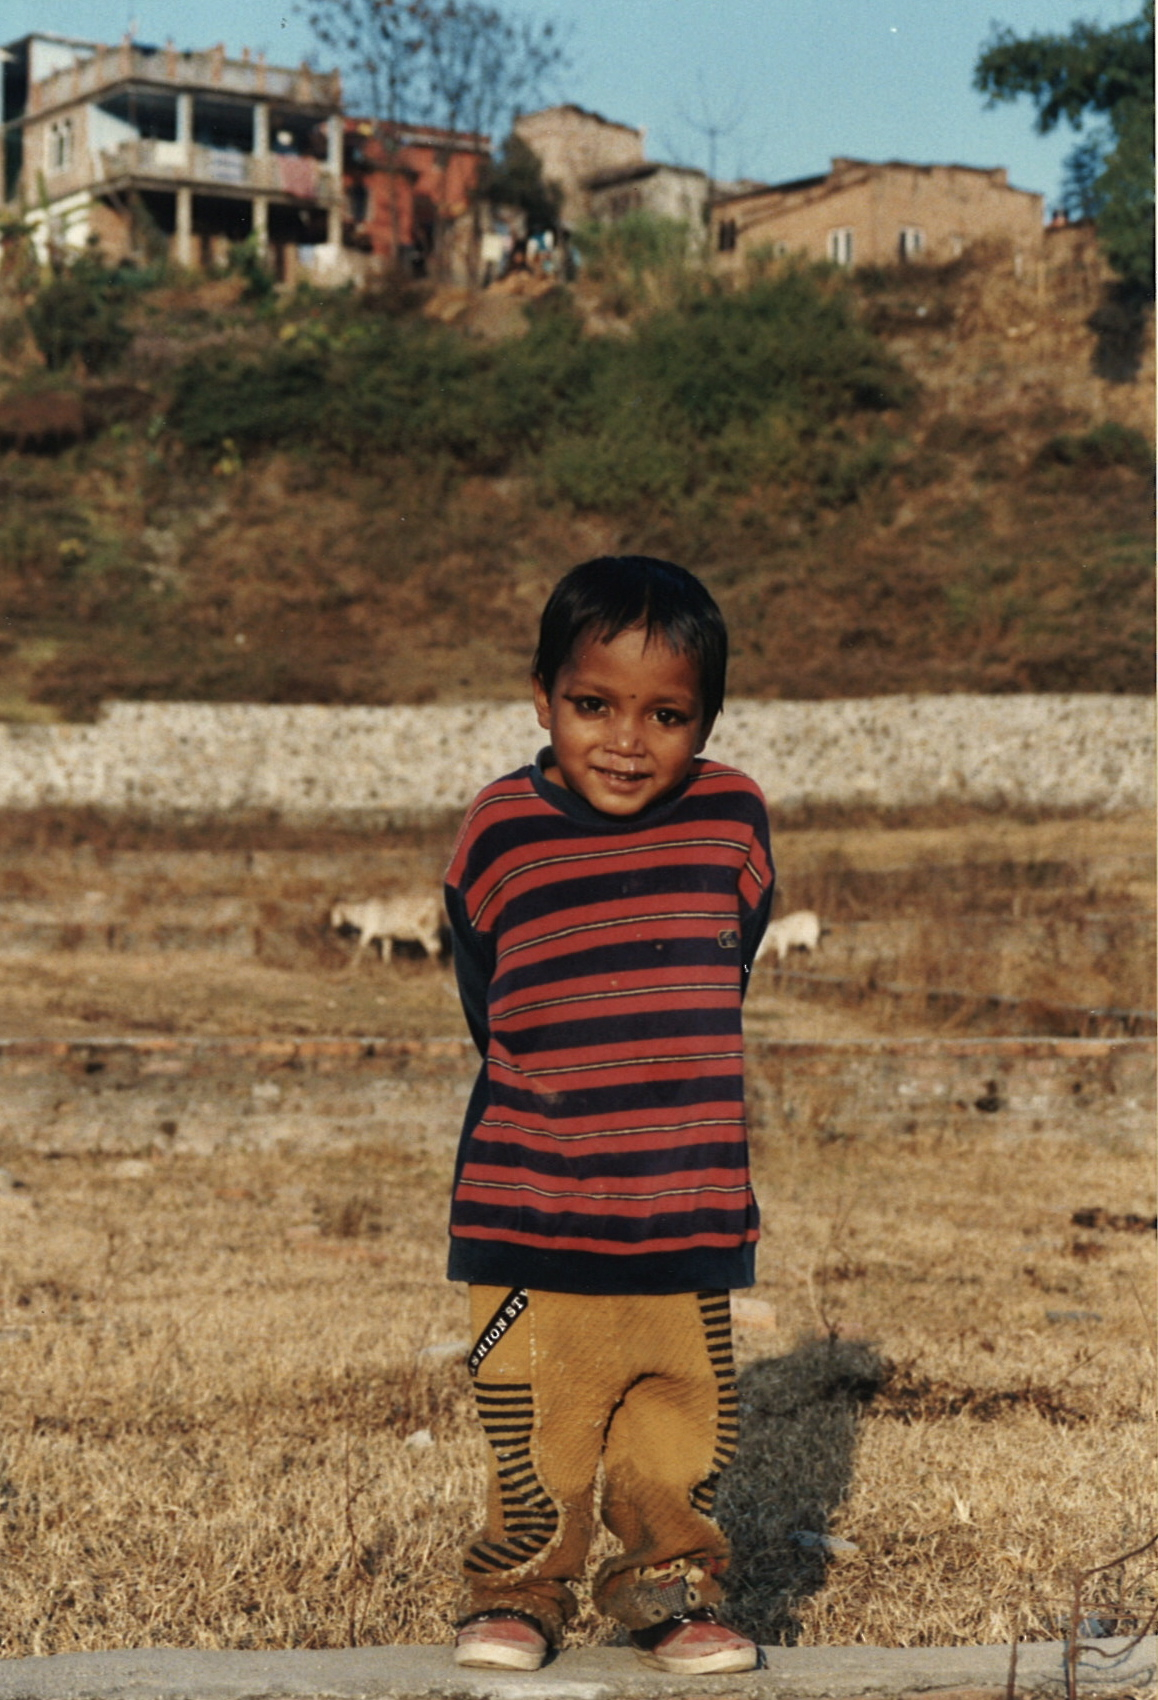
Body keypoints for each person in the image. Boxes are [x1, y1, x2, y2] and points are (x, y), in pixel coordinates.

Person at [443, 555, 774, 1675]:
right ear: (543, 698)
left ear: (707, 720)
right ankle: (518, 1589)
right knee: (532, 1416)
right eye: (594, 705)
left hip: (685, 1201)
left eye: (666, 715)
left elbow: (725, 964)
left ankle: (670, 1589)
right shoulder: (498, 828)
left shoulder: (733, 819)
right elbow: (488, 993)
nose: (627, 741)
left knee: (679, 1417)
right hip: (529, 1200)